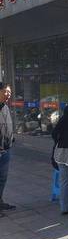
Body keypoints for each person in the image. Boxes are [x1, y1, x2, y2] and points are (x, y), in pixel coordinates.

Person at [0, 82, 15, 213]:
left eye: (9, 92)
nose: (8, 94)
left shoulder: (5, 107)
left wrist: (11, 139)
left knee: (2, 178)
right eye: (5, 91)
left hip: (6, 149)